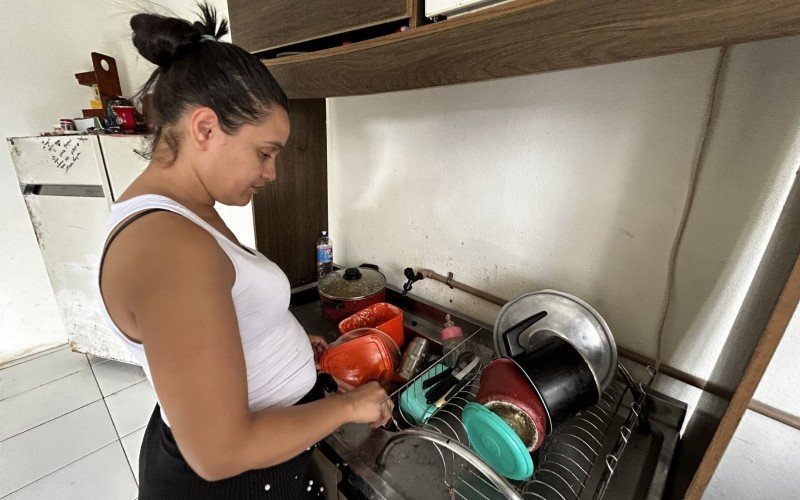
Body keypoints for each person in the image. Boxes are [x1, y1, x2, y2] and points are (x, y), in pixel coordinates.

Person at [97, 4, 392, 498]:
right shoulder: (168, 246)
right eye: (265, 152)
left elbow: (220, 312)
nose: (271, 173)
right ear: (205, 128)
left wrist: (282, 340)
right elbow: (220, 452)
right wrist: (349, 407)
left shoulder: (186, 211)